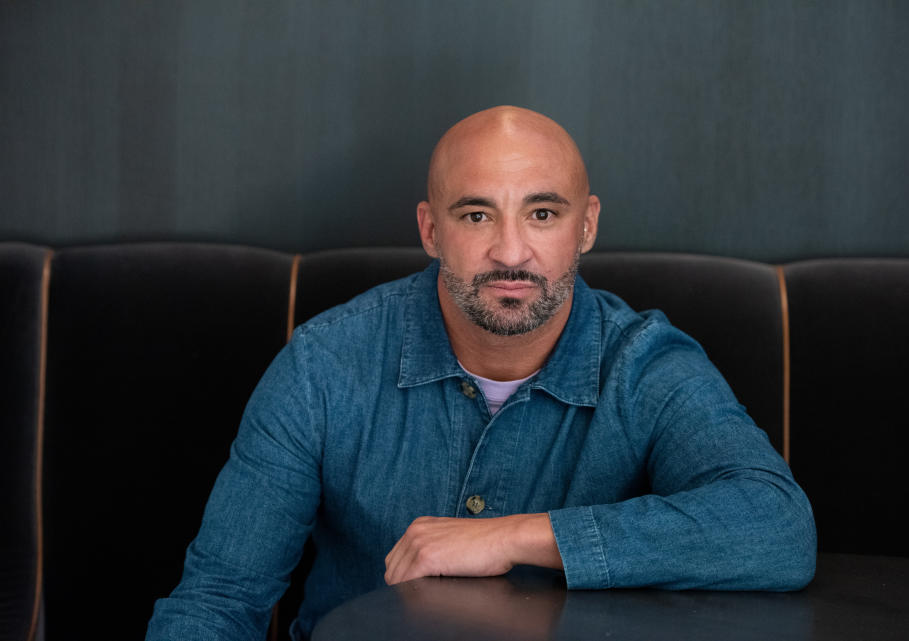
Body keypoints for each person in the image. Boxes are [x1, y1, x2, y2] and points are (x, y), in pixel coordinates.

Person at [146, 106, 816, 641]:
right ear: (430, 229)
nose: (511, 251)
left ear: (586, 227)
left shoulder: (644, 363)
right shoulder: (325, 365)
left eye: (543, 213)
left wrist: (516, 536)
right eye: (476, 214)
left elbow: (777, 528)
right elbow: (218, 599)